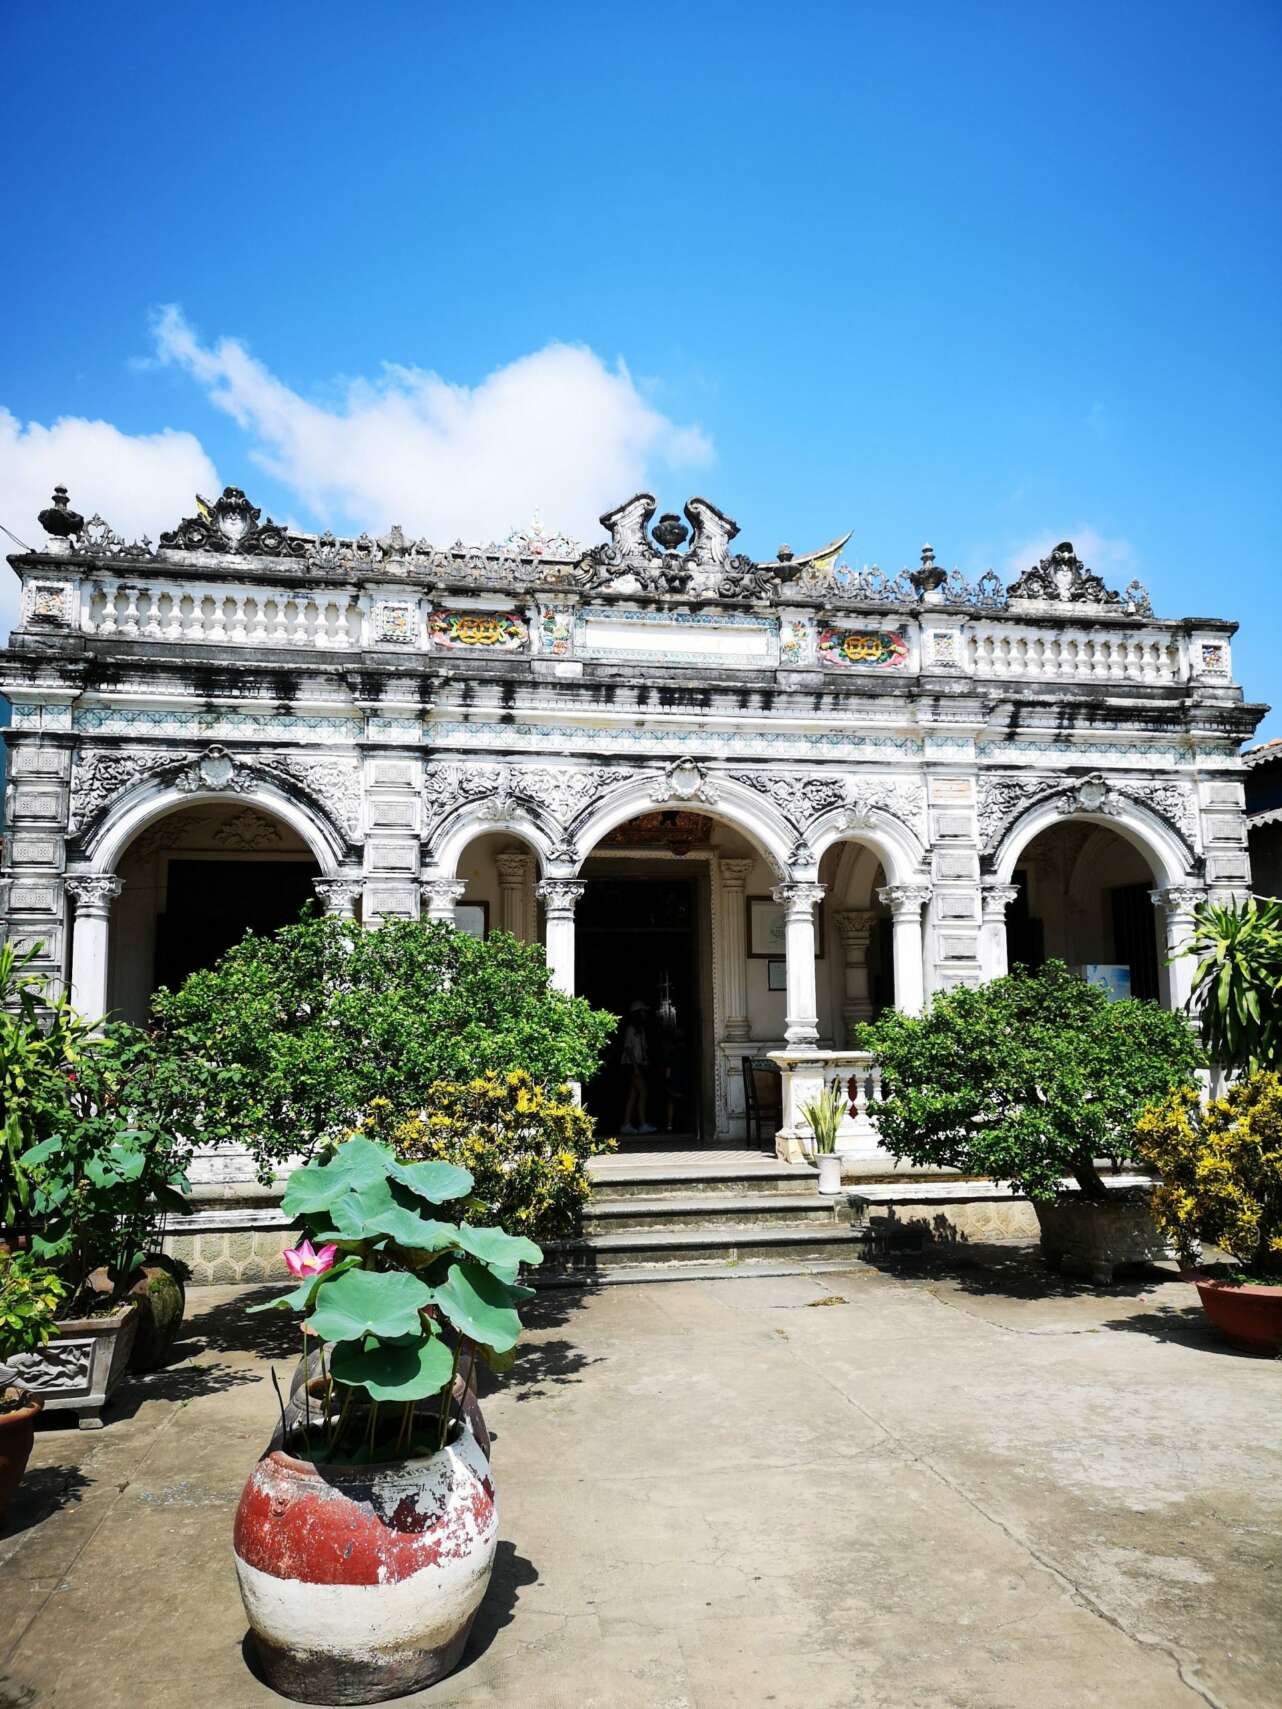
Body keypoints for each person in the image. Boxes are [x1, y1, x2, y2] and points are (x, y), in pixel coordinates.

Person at [618, 1000, 656, 1134]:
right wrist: (635, 1067)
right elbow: (628, 1048)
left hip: (637, 1064)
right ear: (638, 1013)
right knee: (643, 1093)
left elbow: (642, 1049)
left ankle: (626, 1124)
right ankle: (642, 1123)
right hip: (631, 1065)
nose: (645, 1014)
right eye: (643, 1012)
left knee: (633, 1095)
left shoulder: (641, 1030)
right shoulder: (631, 1029)